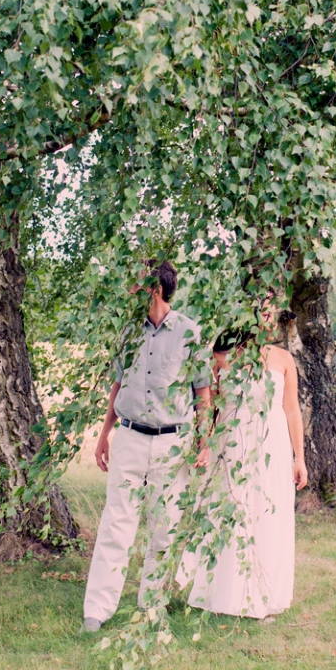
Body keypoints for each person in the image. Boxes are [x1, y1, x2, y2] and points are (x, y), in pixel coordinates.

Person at [82, 260, 211, 632]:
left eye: (138, 285)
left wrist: (203, 441)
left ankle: (151, 607)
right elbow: (117, 387)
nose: (132, 291)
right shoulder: (127, 332)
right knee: (115, 524)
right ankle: (97, 610)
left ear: (155, 288)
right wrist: (104, 434)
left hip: (173, 444)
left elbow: (202, 394)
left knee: (164, 527)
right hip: (129, 438)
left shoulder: (191, 332)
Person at [178, 324, 307, 619]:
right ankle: (225, 594)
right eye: (260, 304)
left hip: (271, 446)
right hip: (232, 443)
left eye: (271, 306)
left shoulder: (283, 359)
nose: (266, 313)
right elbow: (209, 404)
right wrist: (204, 443)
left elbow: (291, 409)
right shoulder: (222, 354)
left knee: (267, 516)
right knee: (232, 515)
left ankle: (265, 593)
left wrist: (298, 457)